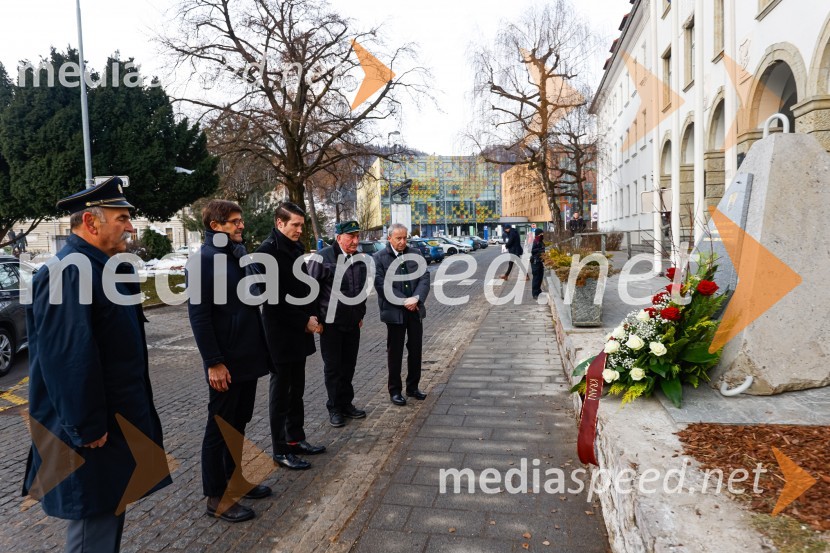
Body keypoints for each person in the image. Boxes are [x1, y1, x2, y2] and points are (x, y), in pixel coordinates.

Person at [23, 177, 171, 552]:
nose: (130, 226)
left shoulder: (99, 267)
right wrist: (85, 426)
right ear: (91, 222)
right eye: (121, 218)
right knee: (94, 530)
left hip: (107, 426)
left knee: (108, 512)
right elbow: (68, 358)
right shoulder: (69, 271)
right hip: (91, 434)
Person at [187, 200, 273, 523]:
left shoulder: (237, 255)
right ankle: (216, 497)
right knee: (219, 427)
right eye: (235, 222)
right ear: (215, 226)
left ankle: (235, 480)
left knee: (238, 424)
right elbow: (199, 317)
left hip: (247, 358)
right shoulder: (204, 262)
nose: (241, 226)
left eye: (241, 220)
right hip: (226, 363)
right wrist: (213, 362)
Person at [254, 201, 326, 471]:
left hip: (301, 329)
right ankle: (280, 449)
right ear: (279, 223)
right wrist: (303, 320)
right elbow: (273, 300)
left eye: (301, 225)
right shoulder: (266, 253)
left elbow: (305, 285)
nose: (299, 229)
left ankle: (296, 439)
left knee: (297, 389)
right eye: (294, 224)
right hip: (281, 333)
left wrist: (314, 314)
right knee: (281, 393)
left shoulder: (295, 248)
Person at [306, 220, 368, 428]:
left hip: (352, 322)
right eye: (351, 236)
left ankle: (346, 403)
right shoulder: (323, 258)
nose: (355, 240)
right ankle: (334, 407)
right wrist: (315, 318)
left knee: (349, 365)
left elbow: (361, 288)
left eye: (357, 236)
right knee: (333, 368)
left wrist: (360, 313)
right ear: (339, 237)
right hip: (330, 324)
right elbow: (310, 290)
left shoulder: (359, 258)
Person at [373, 223, 431, 406]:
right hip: (395, 312)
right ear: (389, 238)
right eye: (399, 238)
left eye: (405, 237)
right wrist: (404, 301)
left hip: (415, 310)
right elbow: (381, 285)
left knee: (415, 350)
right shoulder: (379, 258)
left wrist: (417, 298)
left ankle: (413, 387)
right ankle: (395, 390)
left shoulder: (416, 253)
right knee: (395, 352)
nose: (403, 241)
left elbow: (425, 277)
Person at [530, 228, 546, 300]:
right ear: (538, 234)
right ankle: (535, 293)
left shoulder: (540, 241)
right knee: (536, 278)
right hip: (535, 262)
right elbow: (532, 251)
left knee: (540, 277)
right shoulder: (535, 241)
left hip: (540, 262)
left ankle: (539, 291)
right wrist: (540, 250)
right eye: (541, 234)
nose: (542, 235)